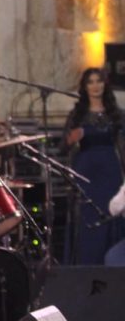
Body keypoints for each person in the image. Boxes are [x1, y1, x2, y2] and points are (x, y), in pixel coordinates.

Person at [62, 67, 125, 265]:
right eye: (91, 82)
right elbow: (63, 145)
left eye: (99, 81)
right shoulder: (78, 114)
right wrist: (72, 138)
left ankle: (112, 267)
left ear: (105, 84)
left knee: (110, 213)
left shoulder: (116, 114)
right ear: (85, 87)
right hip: (85, 171)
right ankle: (86, 266)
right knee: (88, 217)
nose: (95, 85)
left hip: (110, 170)